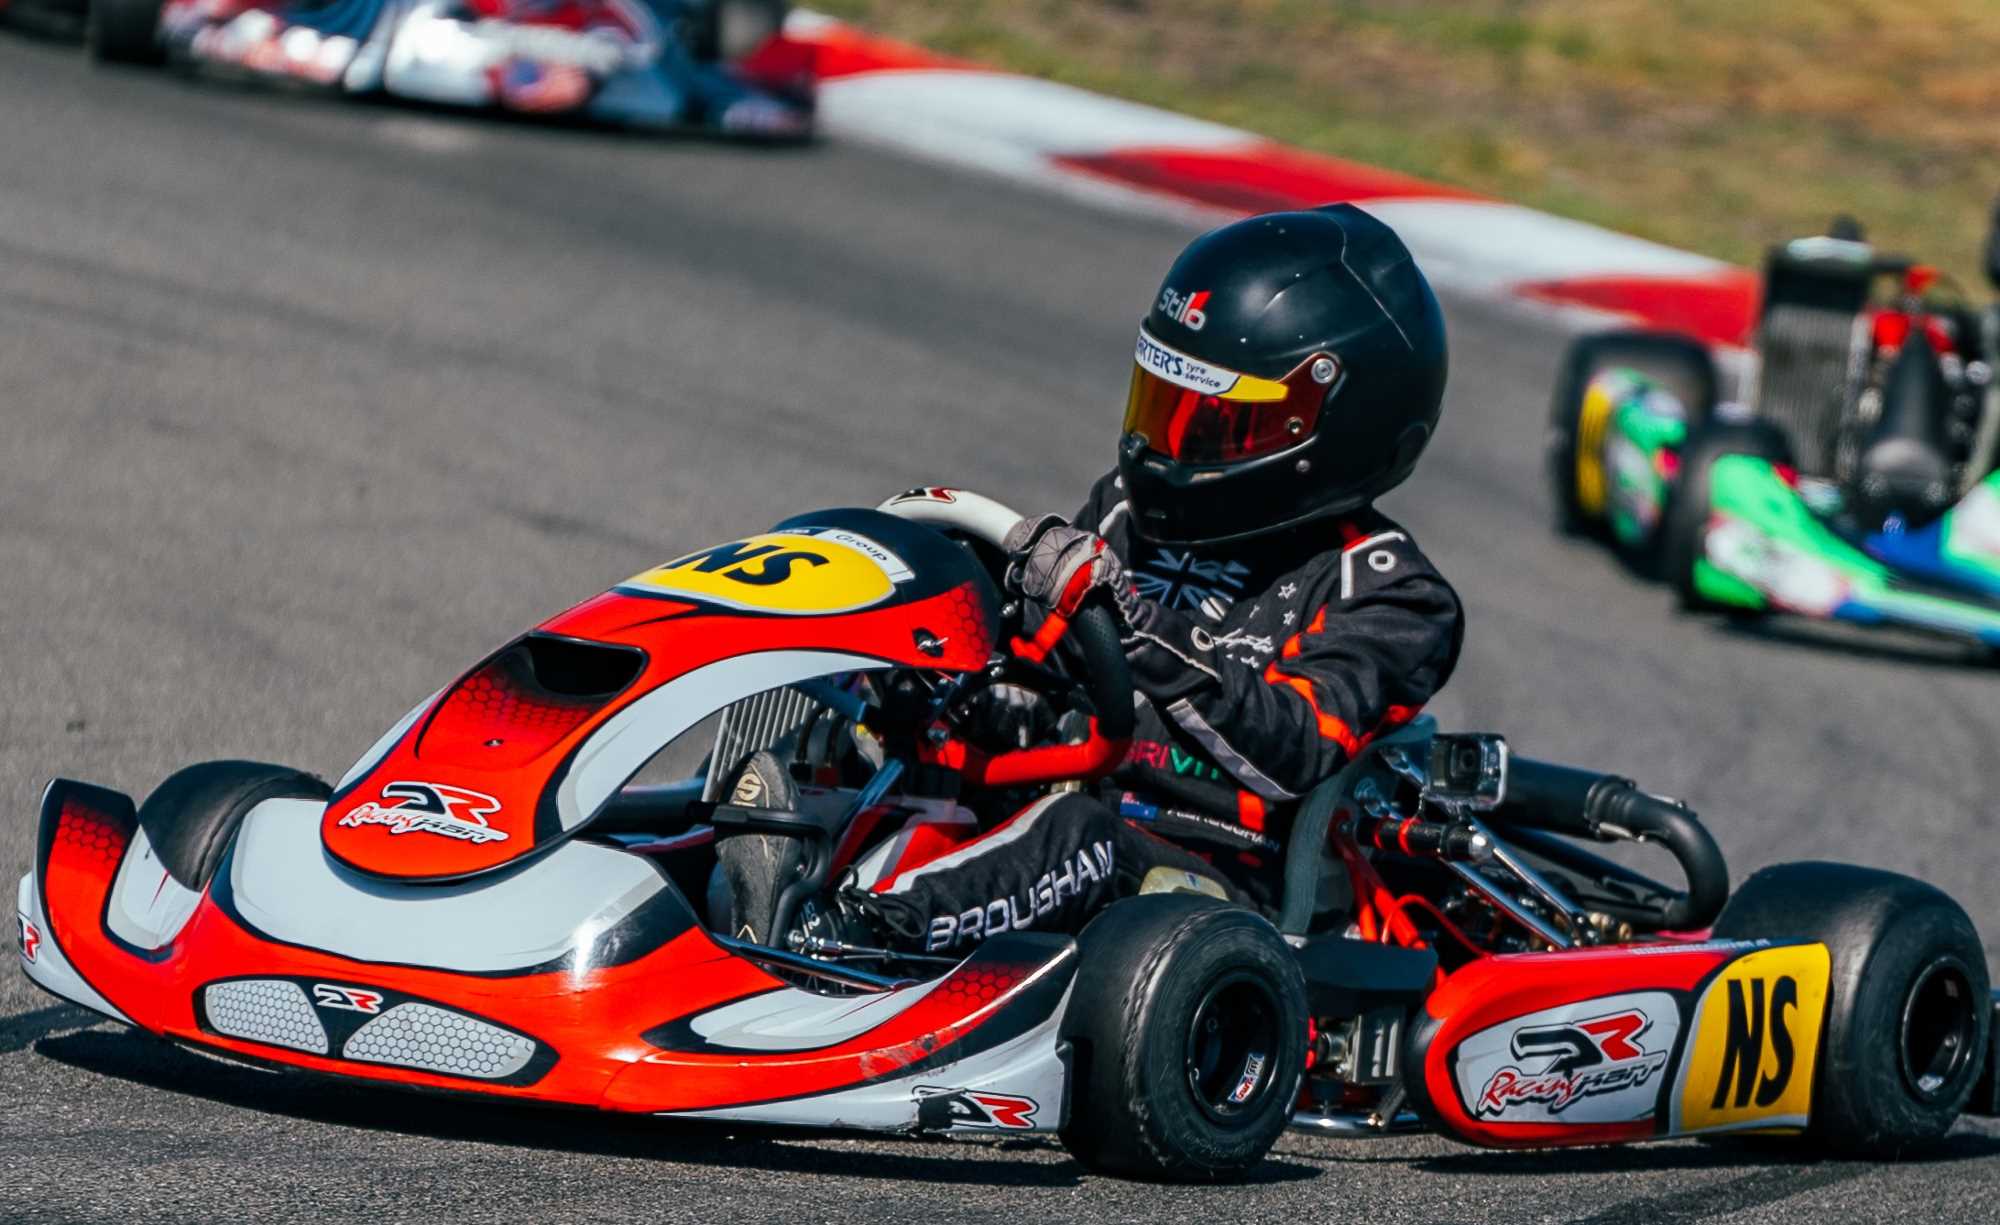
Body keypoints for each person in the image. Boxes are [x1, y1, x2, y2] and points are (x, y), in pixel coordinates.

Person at [718, 204, 1464, 956]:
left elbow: (1294, 747)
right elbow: (1049, 656)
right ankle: (707, 872)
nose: (1169, 449)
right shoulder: (1125, 513)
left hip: (1223, 889)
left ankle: (843, 937)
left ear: (1332, 432)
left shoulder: (1391, 592)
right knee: (875, 729)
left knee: (1079, 838)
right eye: (1166, 405)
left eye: (1215, 423)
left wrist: (1134, 624)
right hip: (1064, 793)